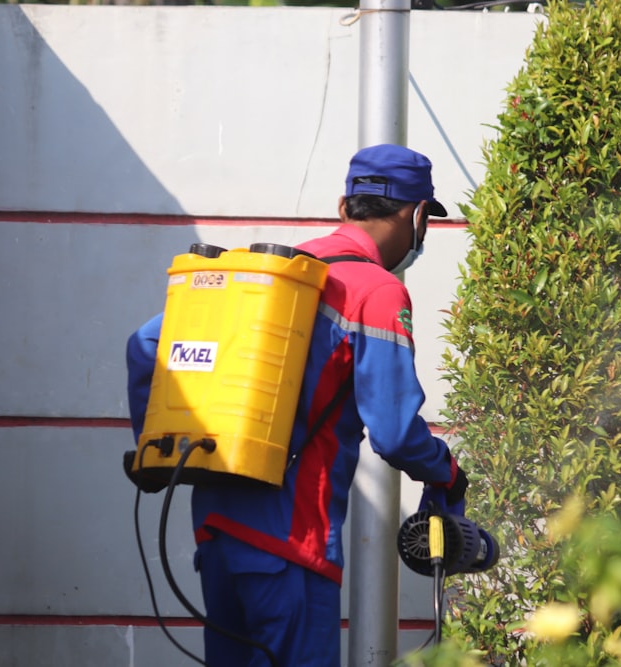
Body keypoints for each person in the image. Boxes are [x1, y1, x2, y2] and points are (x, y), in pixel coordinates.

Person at [125, 143, 468, 667]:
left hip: (216, 534)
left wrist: (153, 449)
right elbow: (395, 432)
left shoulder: (273, 275)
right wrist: (446, 470)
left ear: (343, 207)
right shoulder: (375, 291)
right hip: (293, 544)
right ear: (419, 216)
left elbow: (146, 346)